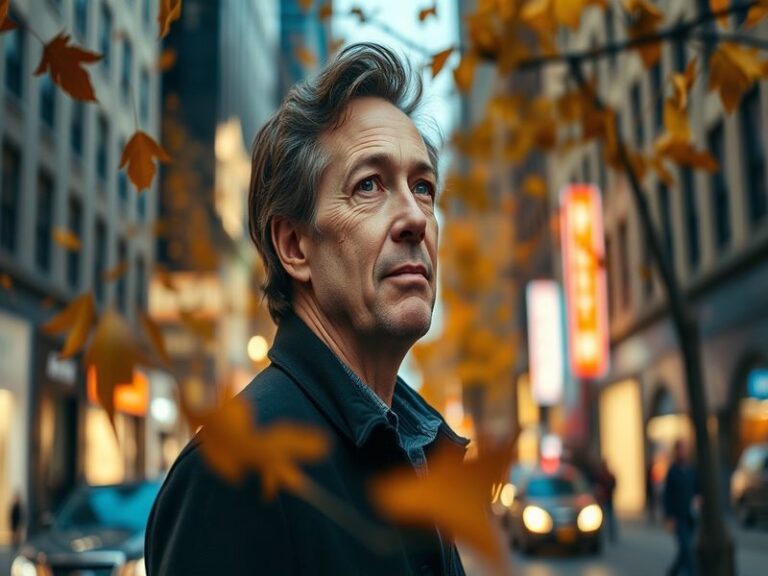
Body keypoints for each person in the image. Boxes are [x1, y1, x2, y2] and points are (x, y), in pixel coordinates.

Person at [145, 43, 468, 575]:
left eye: (423, 187)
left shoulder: (419, 451)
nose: (415, 217)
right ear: (295, 246)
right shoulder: (234, 473)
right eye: (369, 185)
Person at [663, 440, 699, 576]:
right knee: (687, 549)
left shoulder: (691, 470)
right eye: (680, 449)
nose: (683, 452)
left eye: (684, 449)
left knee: (686, 550)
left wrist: (698, 499)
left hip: (691, 516)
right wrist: (669, 517)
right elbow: (667, 496)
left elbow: (698, 489)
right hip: (678, 517)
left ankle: (672, 572)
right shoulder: (672, 472)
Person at [596, 458, 618, 542]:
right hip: (603, 499)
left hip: (607, 498)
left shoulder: (607, 475)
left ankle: (611, 535)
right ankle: (605, 535)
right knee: (604, 518)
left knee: (609, 518)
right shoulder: (601, 475)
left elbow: (613, 484)